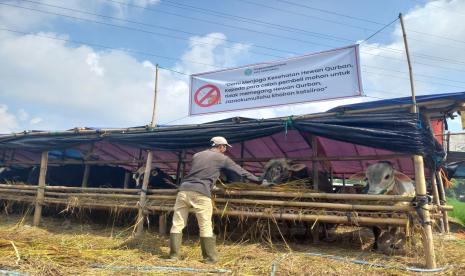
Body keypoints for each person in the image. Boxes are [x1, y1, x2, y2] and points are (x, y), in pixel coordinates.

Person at [169, 136, 260, 263]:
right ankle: (210, 258)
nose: (226, 149)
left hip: (183, 190)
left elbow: (200, 172)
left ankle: (174, 255)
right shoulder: (222, 158)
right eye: (225, 147)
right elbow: (240, 171)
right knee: (205, 225)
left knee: (177, 223)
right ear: (221, 146)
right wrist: (259, 180)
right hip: (200, 192)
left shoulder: (197, 155)